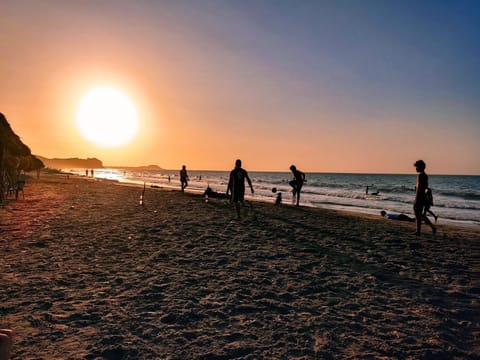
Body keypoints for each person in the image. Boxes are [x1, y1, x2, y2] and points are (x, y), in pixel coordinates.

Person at [413, 160, 436, 235]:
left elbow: (420, 188)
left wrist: (417, 191)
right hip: (423, 197)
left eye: (416, 167)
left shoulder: (420, 175)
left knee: (417, 214)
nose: (416, 168)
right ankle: (432, 227)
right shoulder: (425, 175)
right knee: (421, 215)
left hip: (419, 197)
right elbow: (425, 187)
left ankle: (418, 231)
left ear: (420, 167)